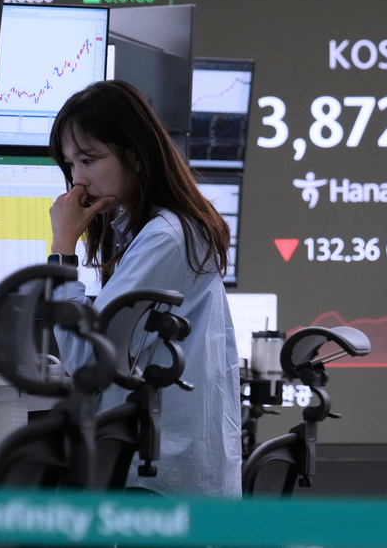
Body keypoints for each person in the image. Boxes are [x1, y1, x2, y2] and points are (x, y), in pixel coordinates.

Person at [47, 79, 242, 497]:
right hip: (171, 478)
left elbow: (87, 362)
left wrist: (62, 249)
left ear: (135, 156)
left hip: (159, 487)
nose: (77, 183)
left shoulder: (165, 237)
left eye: (88, 160)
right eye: (70, 165)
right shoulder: (163, 229)